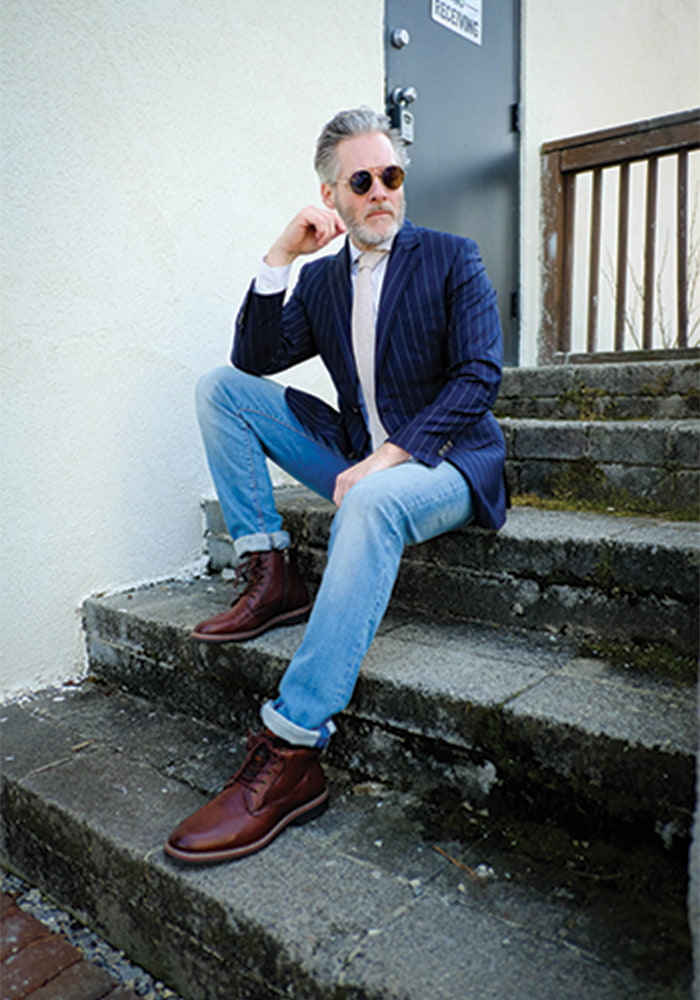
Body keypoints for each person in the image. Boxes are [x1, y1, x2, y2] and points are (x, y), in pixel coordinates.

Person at [165, 107, 507, 864]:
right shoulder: (322, 280)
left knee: (374, 500)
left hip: (445, 464)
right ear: (333, 195)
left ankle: (291, 748)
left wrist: (389, 459)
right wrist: (279, 257)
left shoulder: (453, 258)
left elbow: (481, 376)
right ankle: (272, 570)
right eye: (363, 180)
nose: (383, 191)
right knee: (220, 389)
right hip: (357, 453)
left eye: (392, 176)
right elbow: (255, 358)